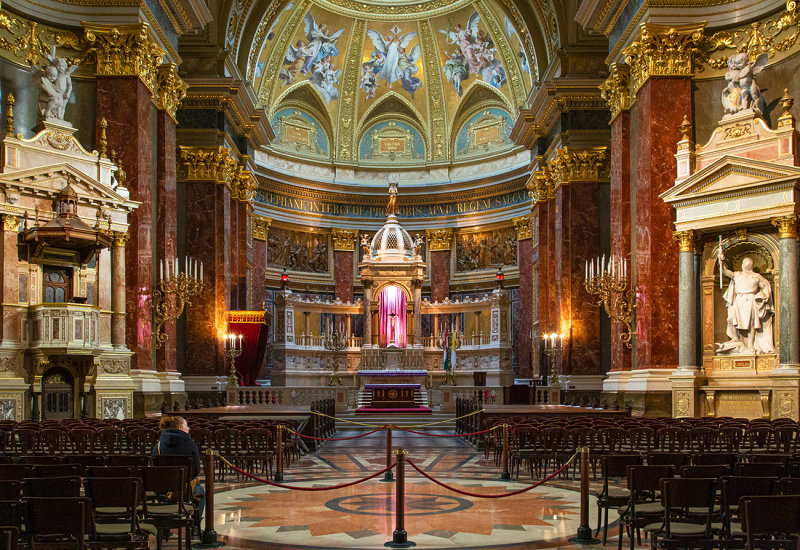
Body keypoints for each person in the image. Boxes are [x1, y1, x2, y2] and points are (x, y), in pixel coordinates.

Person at [153, 415, 204, 535]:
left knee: (162, 494)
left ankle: (165, 526)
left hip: (162, 489)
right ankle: (195, 526)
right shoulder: (190, 444)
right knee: (200, 494)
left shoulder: (159, 445)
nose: (189, 429)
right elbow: (196, 470)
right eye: (187, 426)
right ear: (180, 428)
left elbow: (154, 467)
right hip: (185, 487)